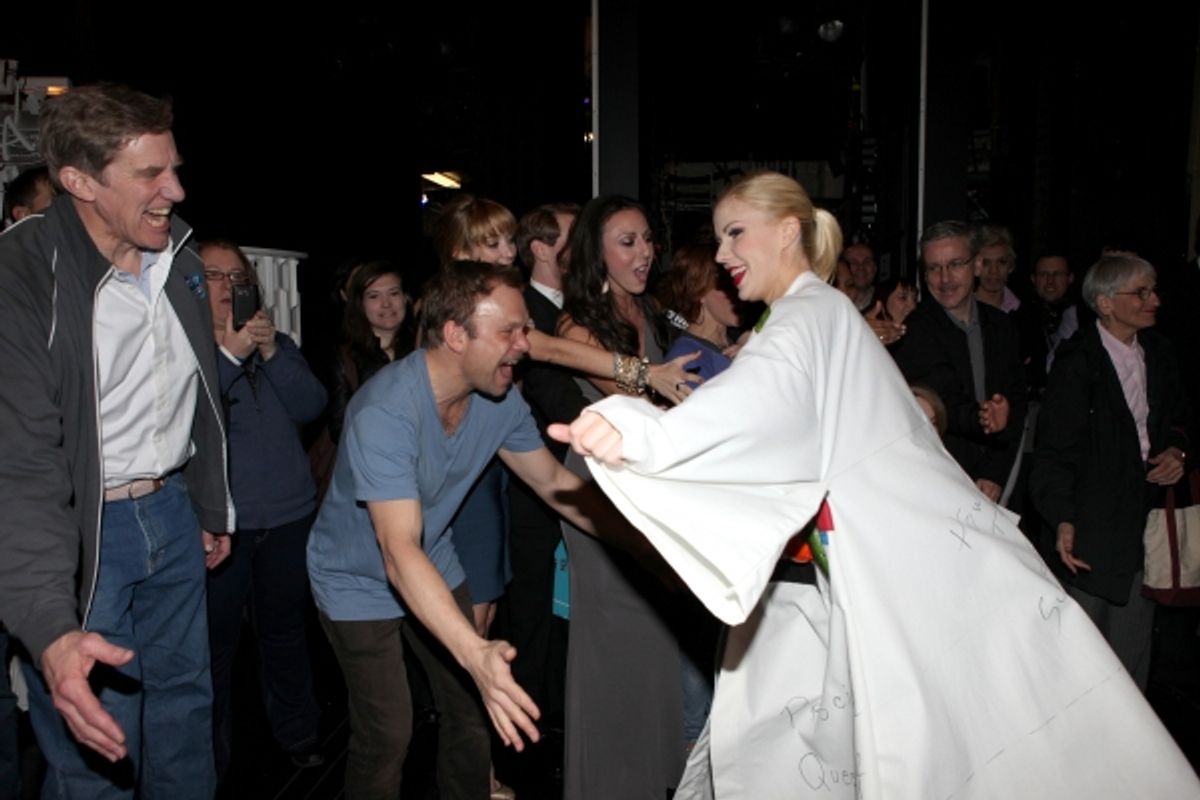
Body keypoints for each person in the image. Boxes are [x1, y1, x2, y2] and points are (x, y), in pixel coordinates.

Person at [550, 171, 1199, 799]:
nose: (722, 254)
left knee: (914, 735)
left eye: (735, 233)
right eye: (720, 238)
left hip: (887, 564)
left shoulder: (806, 315)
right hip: (872, 564)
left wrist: (639, 434)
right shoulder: (810, 312)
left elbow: (753, 400)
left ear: (787, 232)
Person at [305, 261, 634, 800]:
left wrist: (641, 540)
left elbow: (553, 484)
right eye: (509, 331)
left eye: (525, 328)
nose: (524, 344)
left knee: (472, 713)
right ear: (456, 334)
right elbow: (397, 551)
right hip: (354, 579)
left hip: (432, 556)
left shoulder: (498, 399)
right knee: (388, 732)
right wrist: (474, 652)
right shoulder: (386, 410)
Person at [0, 83, 234, 798]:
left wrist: (205, 504)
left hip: (168, 512)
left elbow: (192, 391)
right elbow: (21, 464)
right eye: (149, 175)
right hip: (79, 527)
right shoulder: (20, 276)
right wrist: (48, 625)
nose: (175, 189)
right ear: (78, 181)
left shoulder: (179, 255)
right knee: (97, 741)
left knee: (187, 710)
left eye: (174, 167)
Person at [557, 195, 686, 800]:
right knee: (616, 638)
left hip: (655, 483)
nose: (643, 252)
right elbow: (639, 402)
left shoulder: (654, 310)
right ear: (596, 253)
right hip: (602, 488)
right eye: (626, 242)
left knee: (659, 636)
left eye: (646, 239)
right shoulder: (576, 321)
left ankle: (656, 776)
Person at [199, 239, 327, 779]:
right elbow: (193, 417)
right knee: (215, 647)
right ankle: (211, 757)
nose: (229, 286)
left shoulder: (279, 344)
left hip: (288, 517)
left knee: (284, 633)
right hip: (221, 526)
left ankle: (298, 734)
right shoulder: (185, 349)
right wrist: (231, 355)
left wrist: (272, 351)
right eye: (215, 276)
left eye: (238, 276)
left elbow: (313, 405)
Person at [1031, 252, 1188, 691]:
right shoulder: (1077, 361)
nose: (1153, 299)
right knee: (1084, 658)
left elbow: (1180, 416)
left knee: (1133, 652)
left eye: (1153, 289)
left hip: (1144, 520)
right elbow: (1053, 454)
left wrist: (1178, 451)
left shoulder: (1158, 351)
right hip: (1092, 526)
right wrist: (1064, 516)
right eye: (1141, 292)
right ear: (1104, 303)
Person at [894, 220, 1027, 505]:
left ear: (977, 266)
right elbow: (945, 403)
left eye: (955, 264)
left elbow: (1015, 403)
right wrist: (986, 420)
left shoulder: (1002, 328)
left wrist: (995, 473)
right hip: (938, 482)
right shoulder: (916, 330)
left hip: (995, 481)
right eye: (934, 268)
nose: (945, 279)